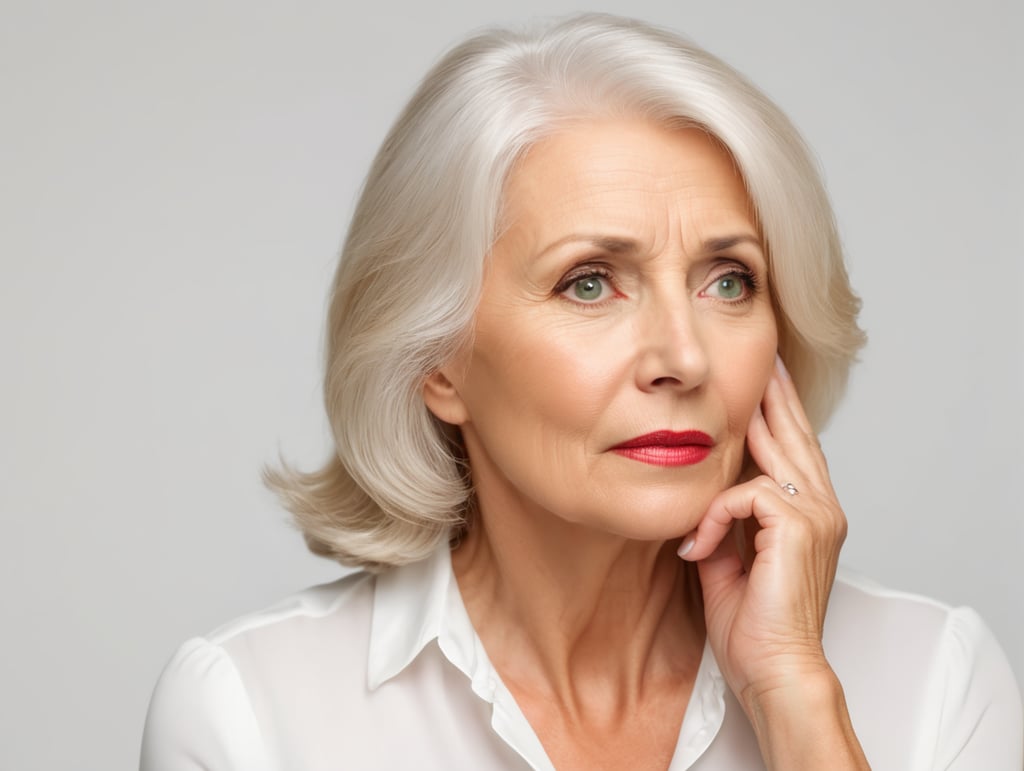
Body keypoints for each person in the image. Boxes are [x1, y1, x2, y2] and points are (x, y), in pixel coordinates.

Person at [140, 13, 1022, 770]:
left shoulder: (935, 678)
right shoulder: (251, 716)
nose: (684, 355)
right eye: (590, 282)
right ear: (438, 360)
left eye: (728, 281)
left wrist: (796, 699)